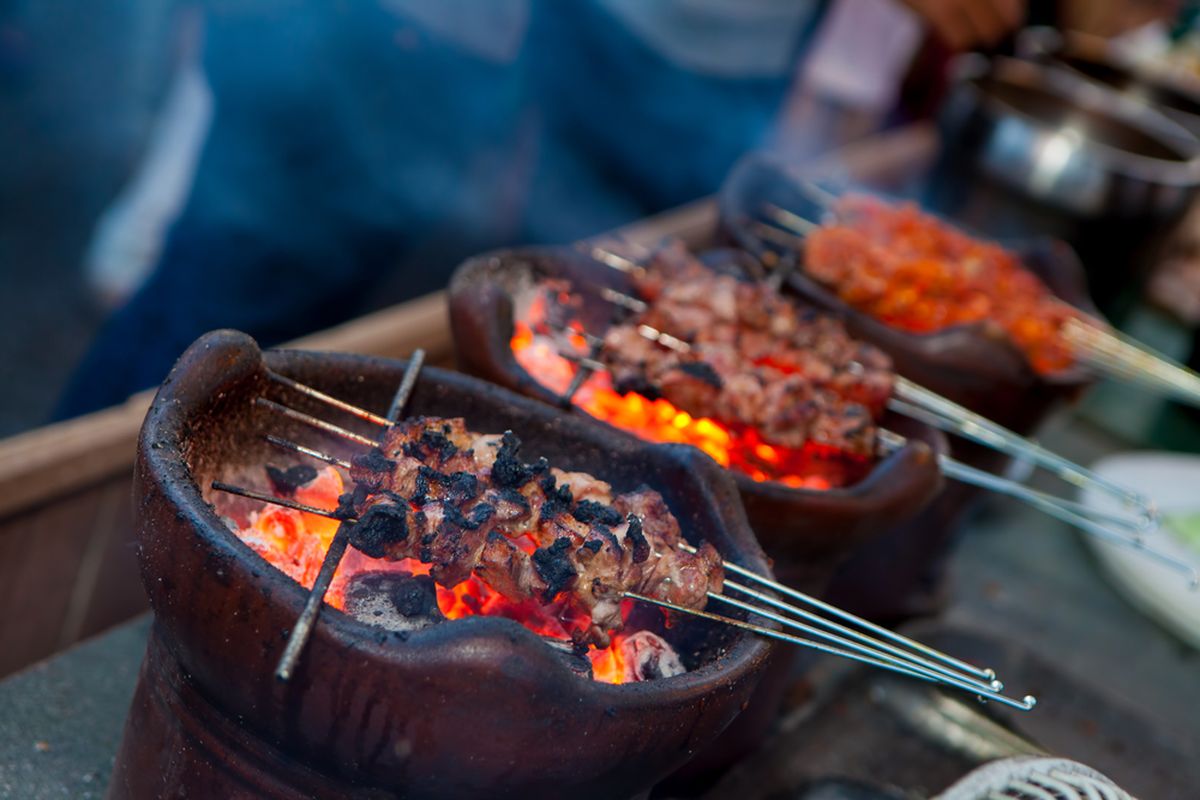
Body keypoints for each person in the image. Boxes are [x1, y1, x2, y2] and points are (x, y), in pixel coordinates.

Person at [57, 0, 1025, 418]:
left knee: (600, 334)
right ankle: (51, 588)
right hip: (365, 29)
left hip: (599, 40)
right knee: (237, 290)